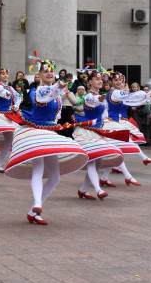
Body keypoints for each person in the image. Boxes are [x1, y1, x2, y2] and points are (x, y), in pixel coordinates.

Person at [5, 52, 88, 225]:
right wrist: (58, 87)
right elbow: (46, 95)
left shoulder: (57, 94)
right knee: (38, 167)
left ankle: (34, 211)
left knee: (55, 176)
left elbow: (55, 114)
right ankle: (37, 203)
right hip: (34, 132)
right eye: (45, 71)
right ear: (40, 75)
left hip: (48, 133)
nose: (49, 73)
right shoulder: (39, 90)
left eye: (51, 71)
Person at [71, 69, 125, 201]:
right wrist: (102, 98)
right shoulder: (89, 96)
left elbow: (103, 111)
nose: (100, 81)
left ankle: (83, 190)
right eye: (96, 79)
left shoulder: (101, 96)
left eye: (101, 79)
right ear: (89, 82)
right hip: (86, 132)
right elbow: (95, 100)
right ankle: (98, 189)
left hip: (97, 131)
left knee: (99, 162)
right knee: (92, 161)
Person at [99, 72, 151, 187]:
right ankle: (130, 174)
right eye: (116, 80)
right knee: (118, 150)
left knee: (117, 151)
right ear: (110, 82)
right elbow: (132, 97)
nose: (119, 82)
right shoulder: (115, 93)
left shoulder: (119, 93)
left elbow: (133, 101)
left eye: (120, 80)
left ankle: (105, 178)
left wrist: (147, 98)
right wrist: (147, 95)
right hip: (112, 123)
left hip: (116, 122)